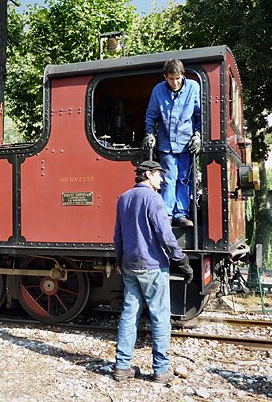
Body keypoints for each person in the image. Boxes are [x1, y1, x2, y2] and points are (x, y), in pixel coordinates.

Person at [112, 160, 193, 383]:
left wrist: (121, 261)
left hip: (130, 265)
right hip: (153, 267)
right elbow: (166, 237)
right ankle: (160, 369)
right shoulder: (153, 199)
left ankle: (122, 366)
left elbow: (117, 236)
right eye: (159, 174)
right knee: (160, 317)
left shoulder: (124, 199)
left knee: (129, 315)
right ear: (148, 174)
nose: (162, 179)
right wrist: (182, 261)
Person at [142, 59, 201, 228]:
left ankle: (181, 214)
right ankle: (167, 214)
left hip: (186, 143)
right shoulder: (158, 90)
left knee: (184, 179)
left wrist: (197, 135)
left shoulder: (193, 87)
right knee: (168, 179)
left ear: (183, 75)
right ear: (165, 77)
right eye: (171, 79)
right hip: (166, 143)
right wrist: (149, 133)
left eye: (178, 78)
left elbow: (199, 115)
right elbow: (151, 114)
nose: (175, 82)